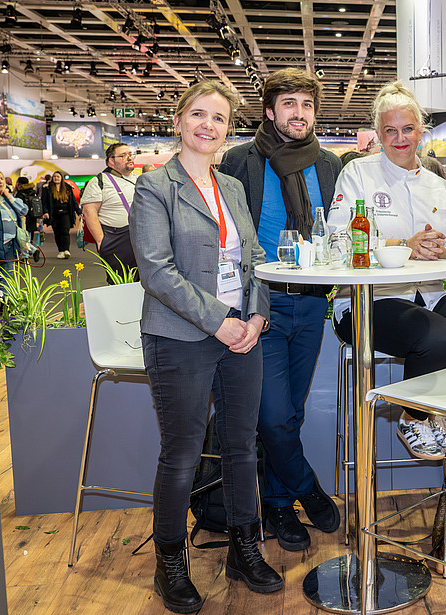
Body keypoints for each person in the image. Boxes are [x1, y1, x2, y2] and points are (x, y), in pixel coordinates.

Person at [130, 81, 282, 613]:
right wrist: (221, 322)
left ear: (227, 129)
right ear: (178, 121)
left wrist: (257, 314)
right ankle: (170, 562)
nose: (208, 125)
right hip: (180, 336)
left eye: (218, 118)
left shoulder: (232, 187)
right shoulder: (155, 187)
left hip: (243, 335)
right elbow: (157, 271)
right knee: (182, 454)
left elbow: (255, 256)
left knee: (242, 446)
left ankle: (244, 546)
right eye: (198, 114)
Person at [328, 81, 446, 460]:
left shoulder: (440, 187)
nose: (400, 139)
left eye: (407, 129)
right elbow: (339, 242)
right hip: (367, 301)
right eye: (390, 130)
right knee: (439, 339)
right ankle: (413, 417)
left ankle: (438, 414)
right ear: (378, 133)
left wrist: (441, 250)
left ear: (421, 131)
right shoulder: (358, 175)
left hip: (430, 293)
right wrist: (404, 245)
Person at [219, 67, 342, 552]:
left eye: (307, 104)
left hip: (310, 301)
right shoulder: (241, 161)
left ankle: (276, 503)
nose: (299, 113)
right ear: (270, 112)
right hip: (260, 304)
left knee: (290, 412)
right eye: (289, 103)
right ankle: (307, 488)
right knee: (271, 416)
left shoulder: (328, 164)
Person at [82, 142, 138, 282]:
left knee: (144, 282)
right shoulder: (99, 181)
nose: (129, 157)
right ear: (111, 161)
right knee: (121, 283)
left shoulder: (138, 180)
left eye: (130, 154)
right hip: (116, 238)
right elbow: (89, 212)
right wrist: (102, 242)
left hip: (141, 236)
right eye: (123, 155)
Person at [42, 171, 82, 259]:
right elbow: (44, 202)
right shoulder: (47, 188)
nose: (56, 178)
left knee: (65, 231)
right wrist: (45, 212)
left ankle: (66, 250)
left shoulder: (67, 188)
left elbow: (73, 201)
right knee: (57, 232)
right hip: (54, 214)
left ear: (61, 178)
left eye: (58, 176)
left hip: (66, 213)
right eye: (54, 176)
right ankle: (60, 251)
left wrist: (79, 212)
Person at [0, 171, 27, 275]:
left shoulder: (8, 199)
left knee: (8, 278)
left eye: (1, 179)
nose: (0, 181)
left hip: (10, 244)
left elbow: (23, 211)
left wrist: (9, 197)